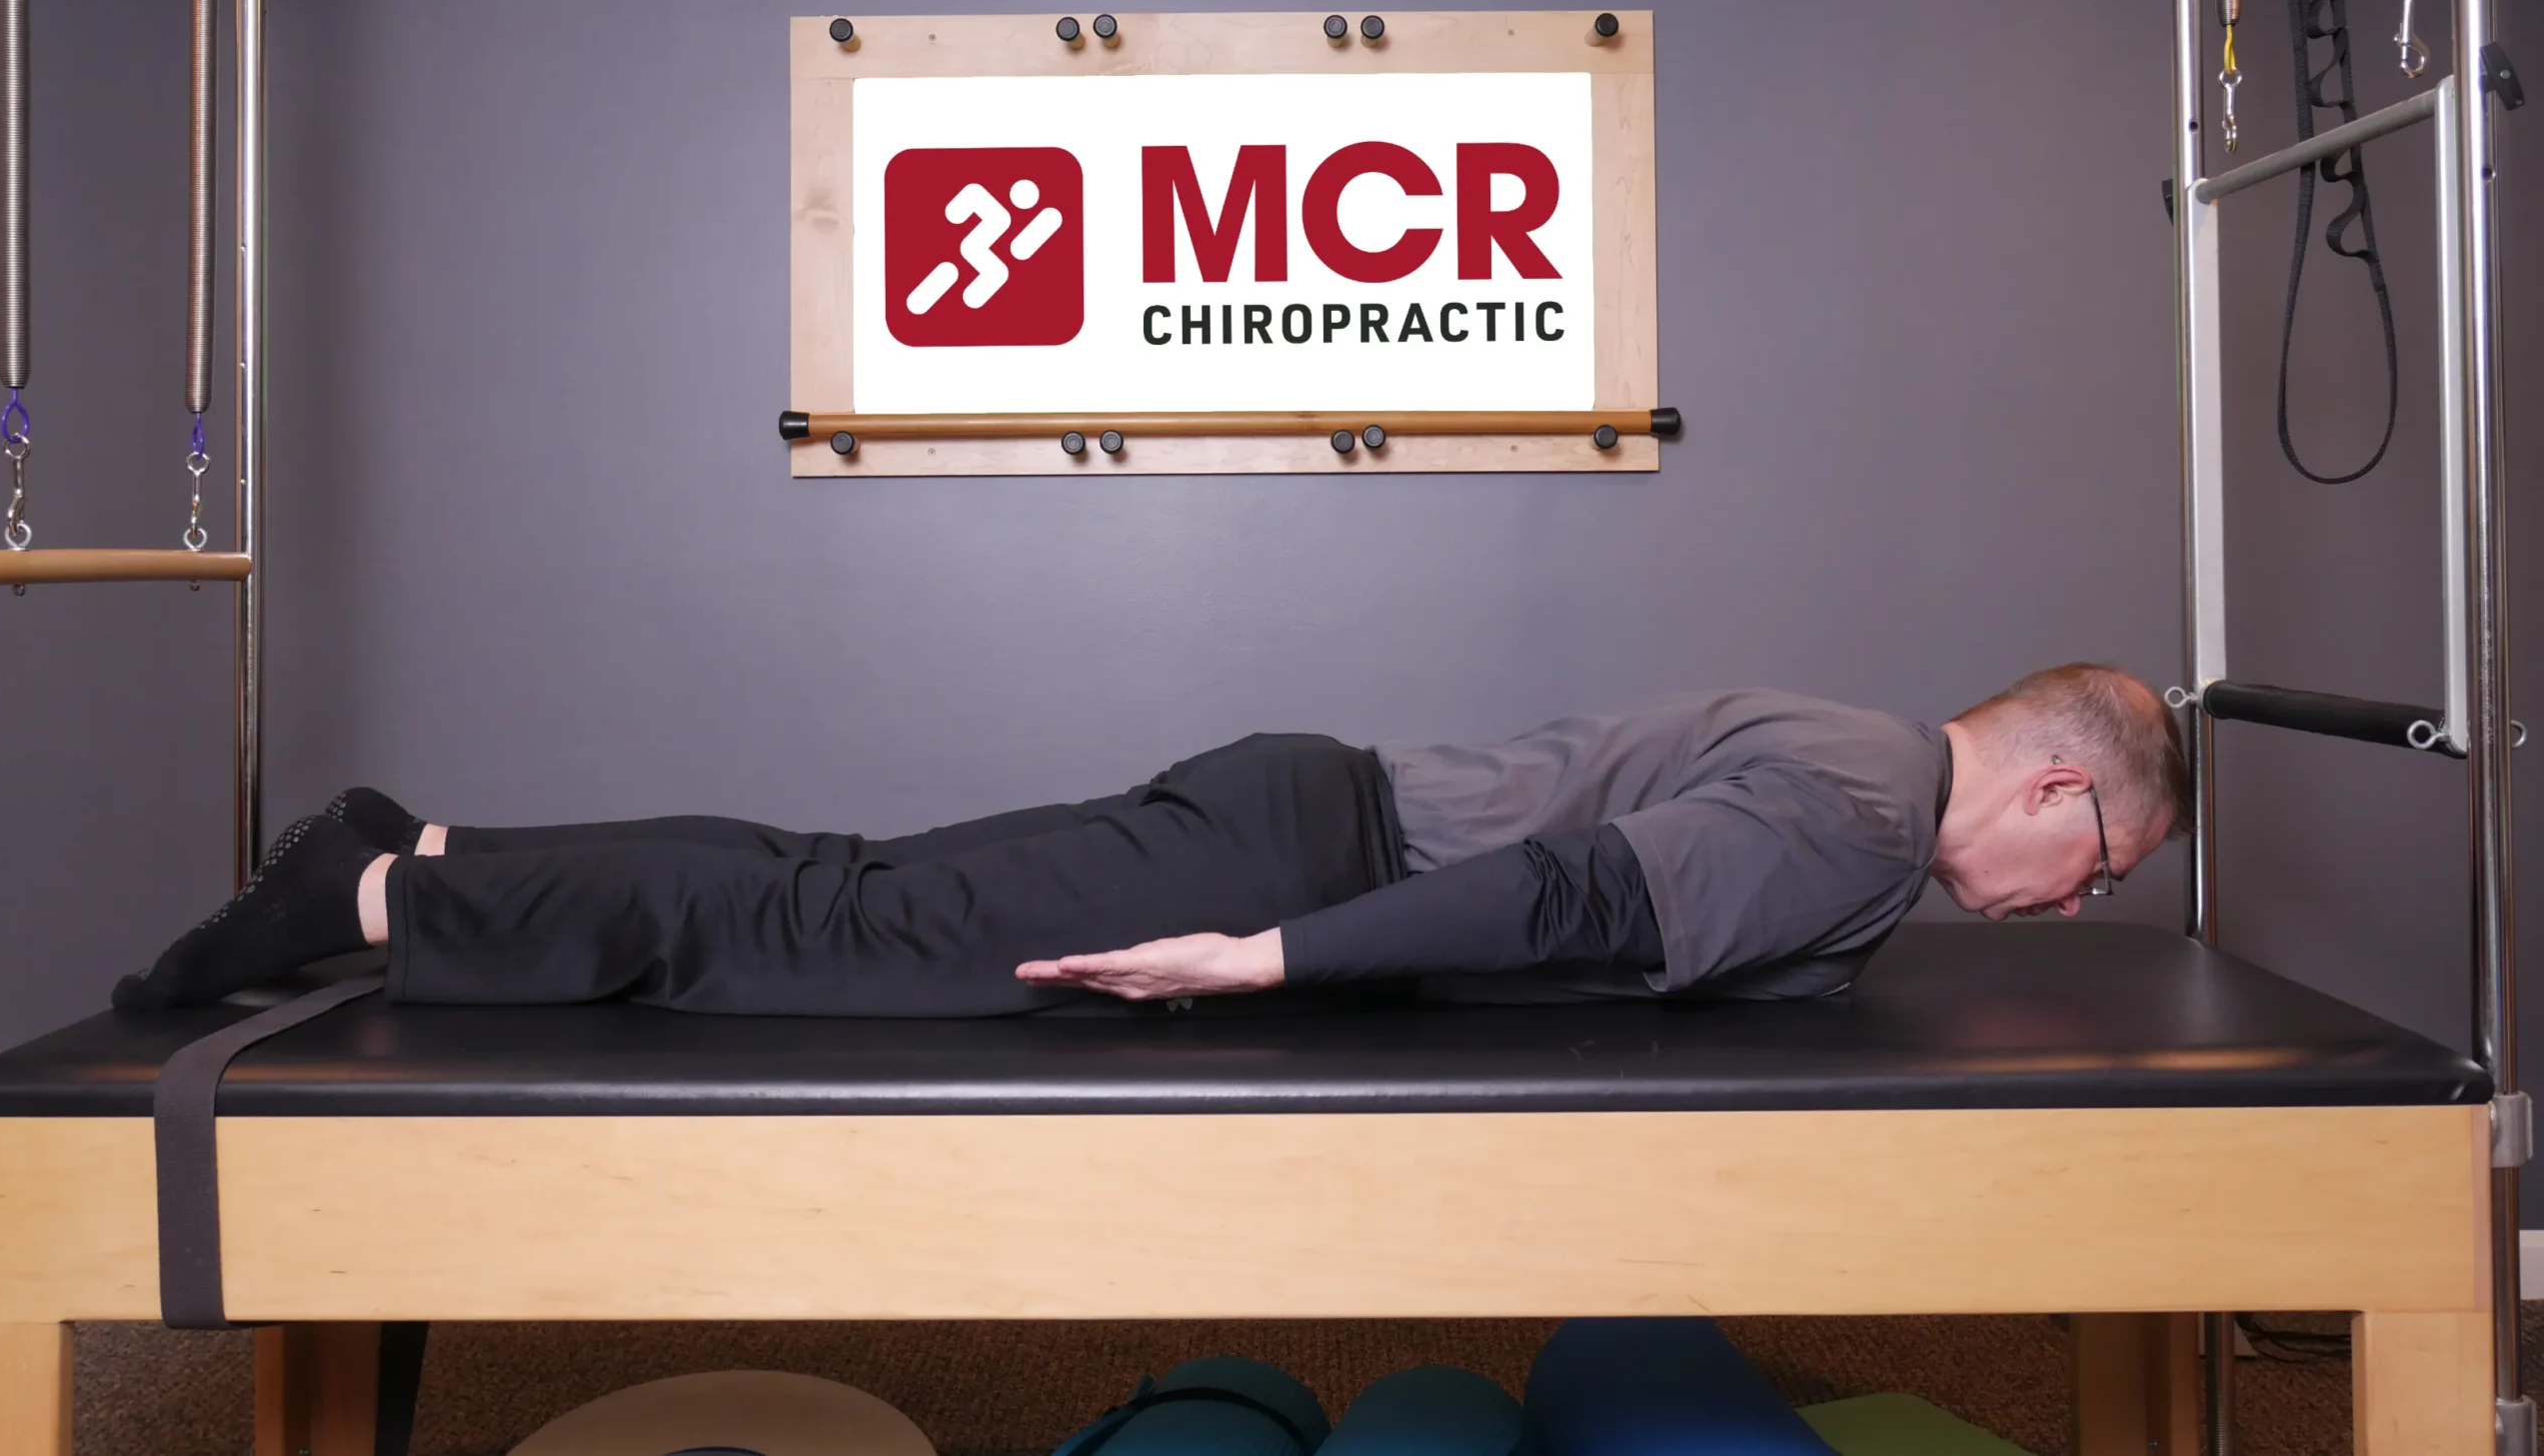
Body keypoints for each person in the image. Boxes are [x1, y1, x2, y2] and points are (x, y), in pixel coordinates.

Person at [112, 661, 2187, 1015]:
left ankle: (434, 838)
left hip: (1304, 799)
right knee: (817, 932)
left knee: (840, 876)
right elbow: (1572, 892)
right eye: (2091, 867)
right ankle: (372, 891)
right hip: (1287, 863)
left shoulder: (1846, 737)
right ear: (2051, 787)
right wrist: (1256, 959)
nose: (2070, 901)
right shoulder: (1853, 815)